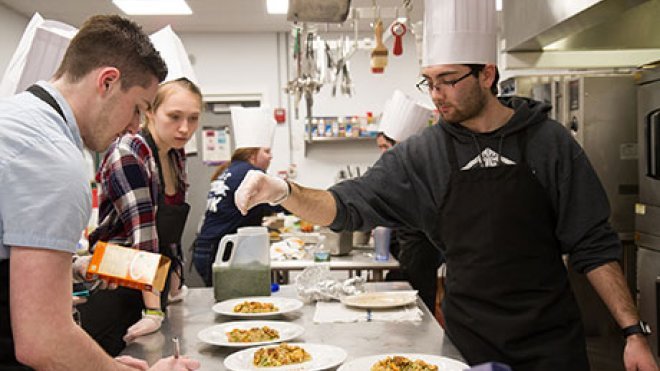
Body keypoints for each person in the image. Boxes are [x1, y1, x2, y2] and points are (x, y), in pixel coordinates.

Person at [232, 0, 659, 369]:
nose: (436, 94)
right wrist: (284, 192)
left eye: (449, 80)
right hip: (467, 345)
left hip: (551, 346)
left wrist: (633, 332)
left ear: (487, 74)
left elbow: (593, 243)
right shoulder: (422, 153)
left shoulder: (549, 143)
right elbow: (346, 205)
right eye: (429, 81)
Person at [0, 14, 199, 370]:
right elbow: (44, 340)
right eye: (138, 108)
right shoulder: (53, 157)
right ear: (107, 81)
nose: (137, 126)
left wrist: (72, 268)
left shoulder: (16, 119)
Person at [77, 77, 202, 356]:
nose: (185, 128)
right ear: (149, 112)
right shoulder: (129, 153)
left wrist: (174, 276)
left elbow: (168, 229)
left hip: (150, 283)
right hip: (115, 283)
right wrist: (153, 310)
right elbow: (143, 237)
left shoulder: (175, 154)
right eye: (174, 116)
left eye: (193, 118)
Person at [193, 106, 280, 286]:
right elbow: (279, 202)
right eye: (267, 151)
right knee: (229, 300)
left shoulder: (230, 170)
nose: (271, 157)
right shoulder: (251, 174)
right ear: (252, 153)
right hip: (220, 249)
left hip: (207, 247)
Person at [376, 90, 444, 314]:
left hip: (420, 249)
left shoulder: (420, 170)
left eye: (386, 147)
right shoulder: (401, 170)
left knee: (420, 308)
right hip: (406, 248)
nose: (383, 155)